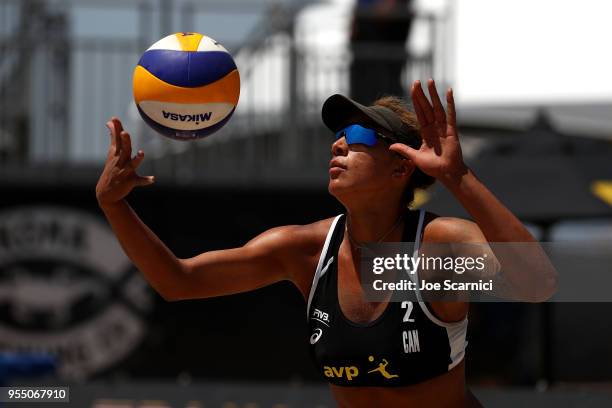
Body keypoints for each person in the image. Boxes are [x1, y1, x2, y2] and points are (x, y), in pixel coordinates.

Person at [96, 79, 557, 407]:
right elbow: (178, 281)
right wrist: (115, 205)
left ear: (401, 168)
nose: (338, 145)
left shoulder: (436, 248)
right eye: (337, 135)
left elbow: (538, 284)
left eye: (356, 136)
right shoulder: (304, 250)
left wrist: (457, 176)